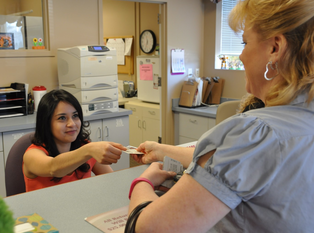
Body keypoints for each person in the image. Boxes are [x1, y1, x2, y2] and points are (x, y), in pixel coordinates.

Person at [127, 0, 314, 232]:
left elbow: (148, 229)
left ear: (275, 48)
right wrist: (165, 151)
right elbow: (239, 166)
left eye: (245, 43)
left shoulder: (254, 132)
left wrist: (142, 183)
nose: (242, 55)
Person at [23, 89, 126, 192]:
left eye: (75, 116)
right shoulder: (31, 155)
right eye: (62, 118)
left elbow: (112, 182)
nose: (72, 124)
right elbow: (53, 168)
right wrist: (89, 150)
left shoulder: (85, 147)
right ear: (46, 123)